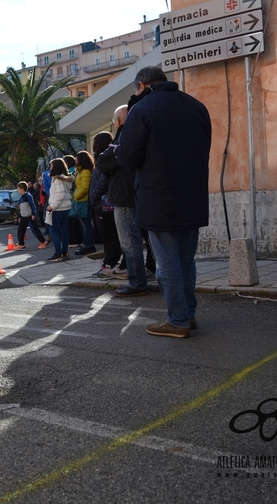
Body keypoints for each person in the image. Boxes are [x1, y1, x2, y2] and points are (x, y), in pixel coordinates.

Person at [116, 66, 212, 339]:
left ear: (143, 85)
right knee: (185, 261)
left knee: (167, 262)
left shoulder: (143, 109)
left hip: (159, 197)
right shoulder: (196, 106)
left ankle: (177, 320)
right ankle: (188, 314)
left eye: (136, 90)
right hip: (193, 196)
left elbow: (128, 157)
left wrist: (134, 109)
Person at [96, 105, 149, 297]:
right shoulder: (133, 136)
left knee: (129, 241)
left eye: (114, 120)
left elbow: (102, 162)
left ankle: (137, 282)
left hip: (125, 196)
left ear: (119, 122)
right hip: (131, 194)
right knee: (133, 240)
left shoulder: (125, 137)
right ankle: (139, 280)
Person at [89, 132, 123, 277]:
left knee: (110, 237)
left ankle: (110, 263)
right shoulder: (102, 160)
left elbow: (104, 181)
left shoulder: (105, 161)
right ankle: (110, 262)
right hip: (101, 204)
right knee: (108, 236)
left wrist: (95, 195)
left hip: (104, 205)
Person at [45, 158, 74, 261]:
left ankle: (58, 252)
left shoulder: (57, 180)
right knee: (64, 230)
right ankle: (65, 252)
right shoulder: (65, 178)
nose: (50, 168)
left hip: (58, 208)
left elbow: (60, 195)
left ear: (55, 167)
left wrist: (52, 206)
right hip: (66, 207)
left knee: (53, 230)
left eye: (52, 166)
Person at [73, 150, 96, 256]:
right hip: (82, 200)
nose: (75, 161)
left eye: (77, 159)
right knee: (86, 224)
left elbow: (85, 188)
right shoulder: (82, 171)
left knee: (87, 225)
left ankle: (88, 245)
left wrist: (75, 196)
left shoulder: (85, 172)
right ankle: (88, 244)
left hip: (83, 200)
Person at [14, 181, 47, 250]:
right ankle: (21, 244)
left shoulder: (28, 196)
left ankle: (43, 241)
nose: (18, 191)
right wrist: (20, 216)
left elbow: (32, 205)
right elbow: (22, 209)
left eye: (18, 189)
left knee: (34, 229)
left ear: (22, 188)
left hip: (29, 216)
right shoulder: (22, 197)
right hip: (23, 216)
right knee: (20, 230)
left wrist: (33, 214)